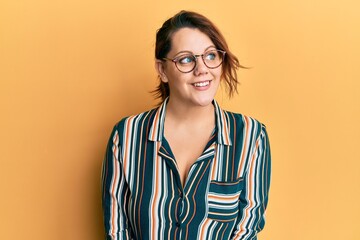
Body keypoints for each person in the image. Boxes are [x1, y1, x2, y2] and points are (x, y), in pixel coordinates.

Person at [101, 10, 271, 240]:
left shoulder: (251, 136)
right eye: (186, 59)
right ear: (162, 70)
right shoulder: (127, 135)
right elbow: (116, 231)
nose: (202, 69)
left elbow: (247, 230)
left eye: (210, 55)